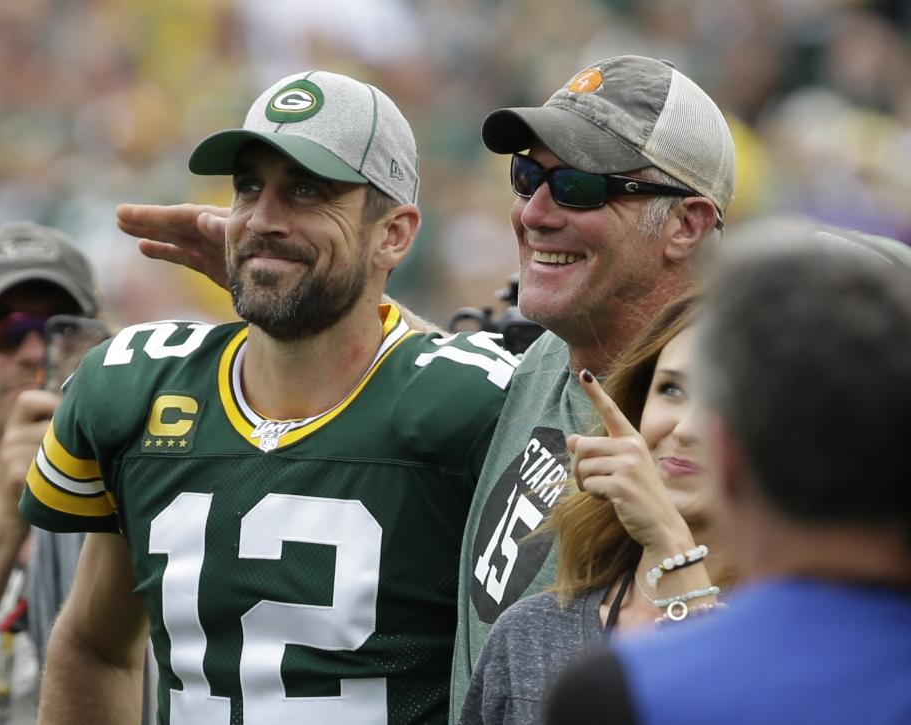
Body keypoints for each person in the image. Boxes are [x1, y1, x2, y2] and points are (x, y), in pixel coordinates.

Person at [116, 55, 736, 720]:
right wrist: (313, 283)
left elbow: (768, 674)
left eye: (579, 186)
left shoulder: (726, 430)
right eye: (527, 177)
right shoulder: (548, 360)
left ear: (687, 224)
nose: (535, 211)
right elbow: (441, 360)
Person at [20, 70, 513, 724]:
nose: (263, 217)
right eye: (249, 186)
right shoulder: (137, 388)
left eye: (308, 191)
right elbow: (95, 645)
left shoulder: (469, 403)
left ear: (393, 234)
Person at [546, 224, 911, 725]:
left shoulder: (625, 691)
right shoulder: (543, 630)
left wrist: (676, 560)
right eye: (671, 389)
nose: (688, 428)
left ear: (732, 459)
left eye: (722, 402)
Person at [459, 291, 732, 725]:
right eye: (672, 389)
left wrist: (671, 544)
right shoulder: (531, 633)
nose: (686, 428)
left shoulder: (809, 644)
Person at [0, 221, 101, 725]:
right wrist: (16, 506)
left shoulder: (140, 498)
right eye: (3, 328)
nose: (35, 352)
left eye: (61, 330)